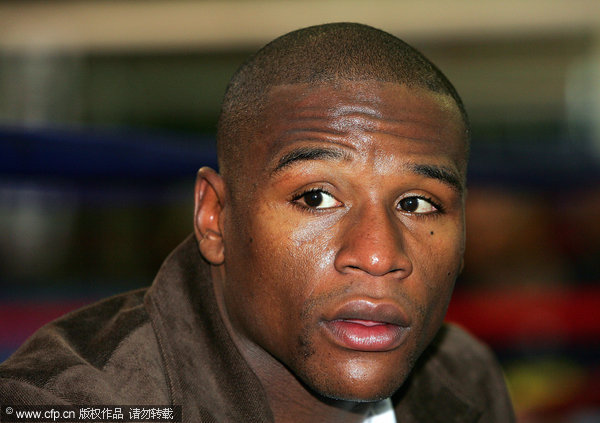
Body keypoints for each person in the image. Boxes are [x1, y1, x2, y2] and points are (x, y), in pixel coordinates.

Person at [0, 23, 515, 422]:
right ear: (214, 217)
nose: (379, 254)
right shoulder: (72, 402)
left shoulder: (461, 376)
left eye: (419, 204)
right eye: (315, 197)